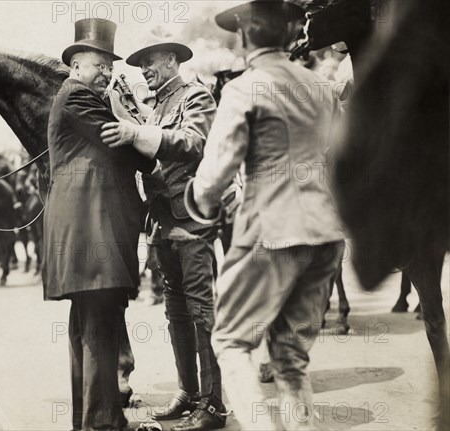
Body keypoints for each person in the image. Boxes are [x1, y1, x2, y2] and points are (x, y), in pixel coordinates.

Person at [188, 1, 346, 430]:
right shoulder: (321, 87)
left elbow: (215, 172)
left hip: (272, 229)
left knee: (232, 342)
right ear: (289, 34)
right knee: (291, 359)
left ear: (244, 35)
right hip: (327, 233)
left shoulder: (244, 88)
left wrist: (199, 201)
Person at [100, 29, 226, 431]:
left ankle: (214, 406)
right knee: (176, 313)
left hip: (192, 221)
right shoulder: (153, 107)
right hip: (163, 222)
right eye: (139, 65)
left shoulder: (196, 95)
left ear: (171, 59)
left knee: (202, 310)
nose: (143, 70)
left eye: (149, 62)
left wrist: (137, 131)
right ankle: (188, 393)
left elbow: (193, 143)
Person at [41, 18, 154, 430]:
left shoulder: (77, 95)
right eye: (98, 65)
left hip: (89, 233)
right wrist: (144, 141)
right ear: (75, 67)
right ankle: (102, 425)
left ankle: (96, 421)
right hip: (91, 233)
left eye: (109, 66)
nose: (105, 73)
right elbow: (131, 152)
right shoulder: (78, 96)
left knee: (91, 332)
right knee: (98, 330)